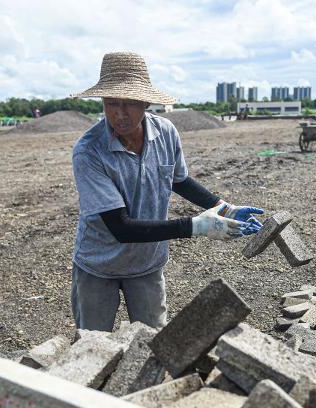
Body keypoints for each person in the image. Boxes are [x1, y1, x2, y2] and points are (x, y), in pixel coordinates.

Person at [69, 52, 263, 331]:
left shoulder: (165, 132)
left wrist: (223, 207)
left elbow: (178, 180)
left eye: (130, 104)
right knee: (92, 347)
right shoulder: (89, 151)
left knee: (153, 344)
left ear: (146, 103)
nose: (119, 113)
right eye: (111, 103)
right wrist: (197, 226)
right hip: (99, 265)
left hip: (148, 264)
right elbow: (120, 228)